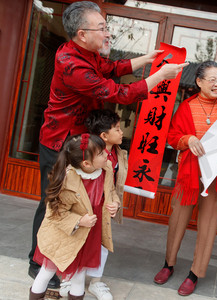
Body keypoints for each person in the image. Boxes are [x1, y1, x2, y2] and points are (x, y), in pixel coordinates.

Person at [28, 1, 187, 288]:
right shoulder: (71, 63)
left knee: (80, 204)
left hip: (82, 142)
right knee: (54, 203)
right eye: (101, 28)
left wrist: (149, 58)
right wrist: (160, 76)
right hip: (60, 142)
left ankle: (64, 262)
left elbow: (113, 68)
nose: (107, 32)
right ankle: (37, 263)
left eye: (105, 26)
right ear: (81, 33)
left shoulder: (88, 53)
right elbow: (117, 92)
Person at [153, 61, 217, 296]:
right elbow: (173, 137)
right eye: (212, 80)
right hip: (188, 173)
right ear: (199, 82)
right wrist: (188, 140)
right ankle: (169, 264)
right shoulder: (186, 107)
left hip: (216, 175)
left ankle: (195, 273)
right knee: (178, 219)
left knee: (208, 225)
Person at [29, 134, 120, 300]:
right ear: (86, 163)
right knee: (47, 271)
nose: (106, 154)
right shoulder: (67, 178)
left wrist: (114, 203)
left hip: (88, 234)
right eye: (100, 153)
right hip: (64, 235)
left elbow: (111, 191)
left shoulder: (106, 169)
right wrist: (79, 221)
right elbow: (54, 212)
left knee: (79, 275)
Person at [59, 109, 127, 299]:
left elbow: (114, 187)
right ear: (104, 136)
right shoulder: (85, 154)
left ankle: (96, 282)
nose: (122, 132)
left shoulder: (120, 154)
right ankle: (68, 277)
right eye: (117, 129)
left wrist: (115, 203)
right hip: (83, 208)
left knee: (103, 242)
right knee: (76, 240)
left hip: (104, 209)